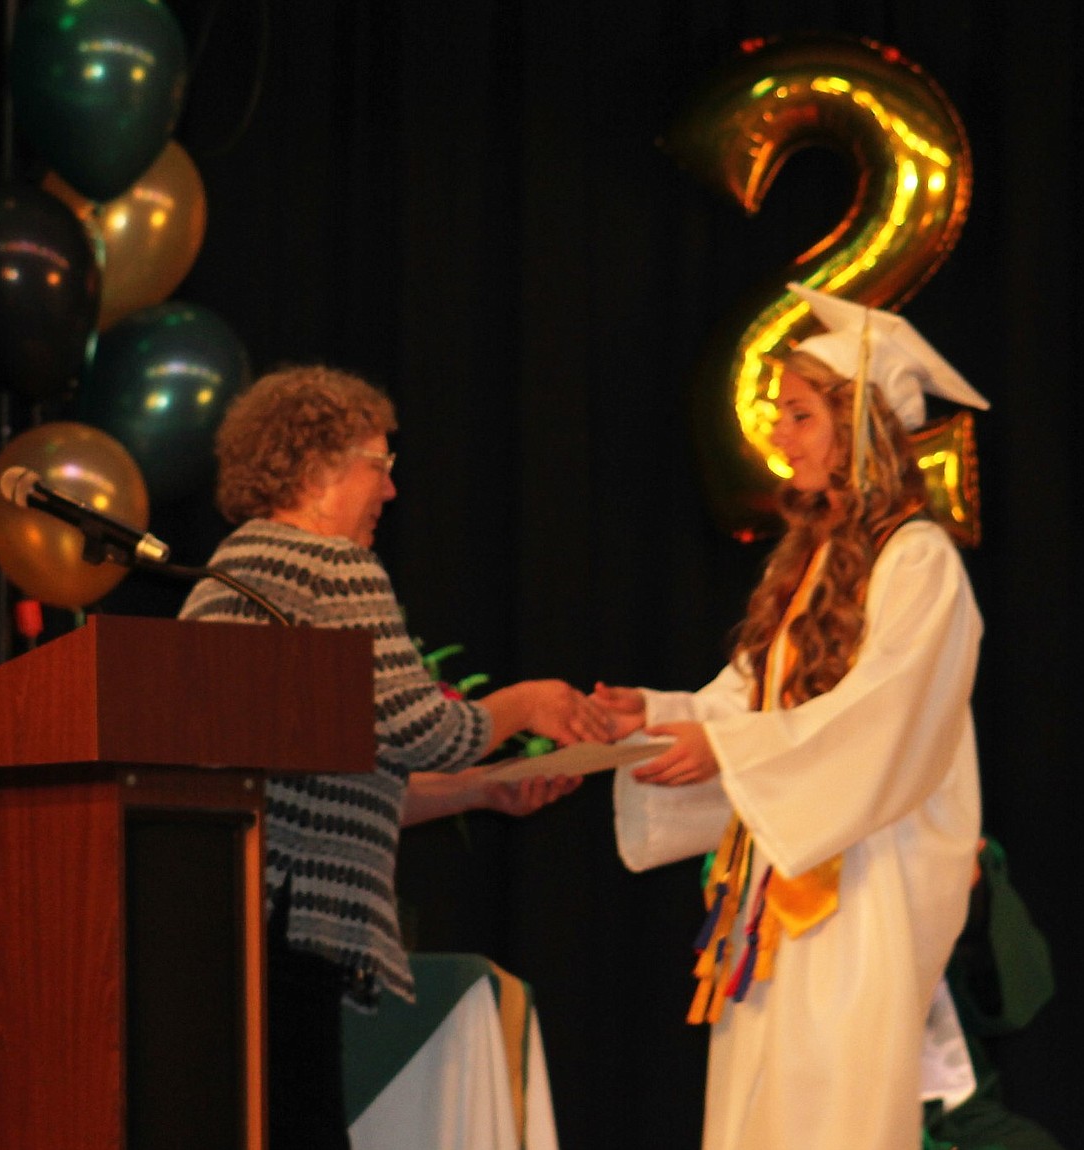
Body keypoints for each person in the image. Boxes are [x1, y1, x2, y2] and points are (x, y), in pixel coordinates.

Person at [593, 282, 991, 1150]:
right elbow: (745, 701)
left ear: (861, 431)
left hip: (862, 886)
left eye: (801, 414)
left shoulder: (917, 562)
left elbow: (881, 724)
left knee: (832, 1113)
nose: (776, 432)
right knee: (762, 1112)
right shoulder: (810, 562)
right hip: (777, 900)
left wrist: (727, 752)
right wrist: (648, 720)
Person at [178, 363, 605, 1150]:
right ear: (318, 469)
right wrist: (529, 703)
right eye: (381, 466)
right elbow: (424, 731)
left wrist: (480, 793)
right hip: (297, 911)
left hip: (229, 899)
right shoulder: (330, 565)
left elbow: (331, 781)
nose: (391, 491)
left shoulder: (227, 572)